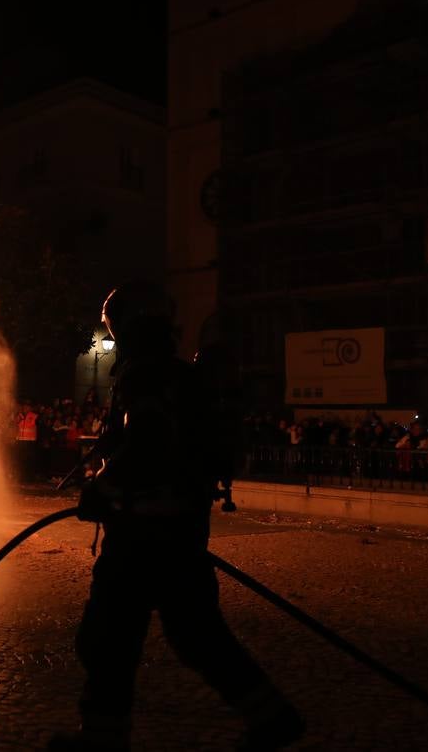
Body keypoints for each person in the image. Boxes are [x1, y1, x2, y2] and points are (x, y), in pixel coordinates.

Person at [52, 281, 303, 751]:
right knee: (196, 636)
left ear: (129, 326)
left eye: (116, 328)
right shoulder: (180, 376)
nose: (117, 338)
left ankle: (103, 740)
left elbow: (146, 442)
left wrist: (101, 491)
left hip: (141, 537)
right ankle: (272, 716)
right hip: (181, 530)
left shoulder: (145, 376)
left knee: (107, 639)